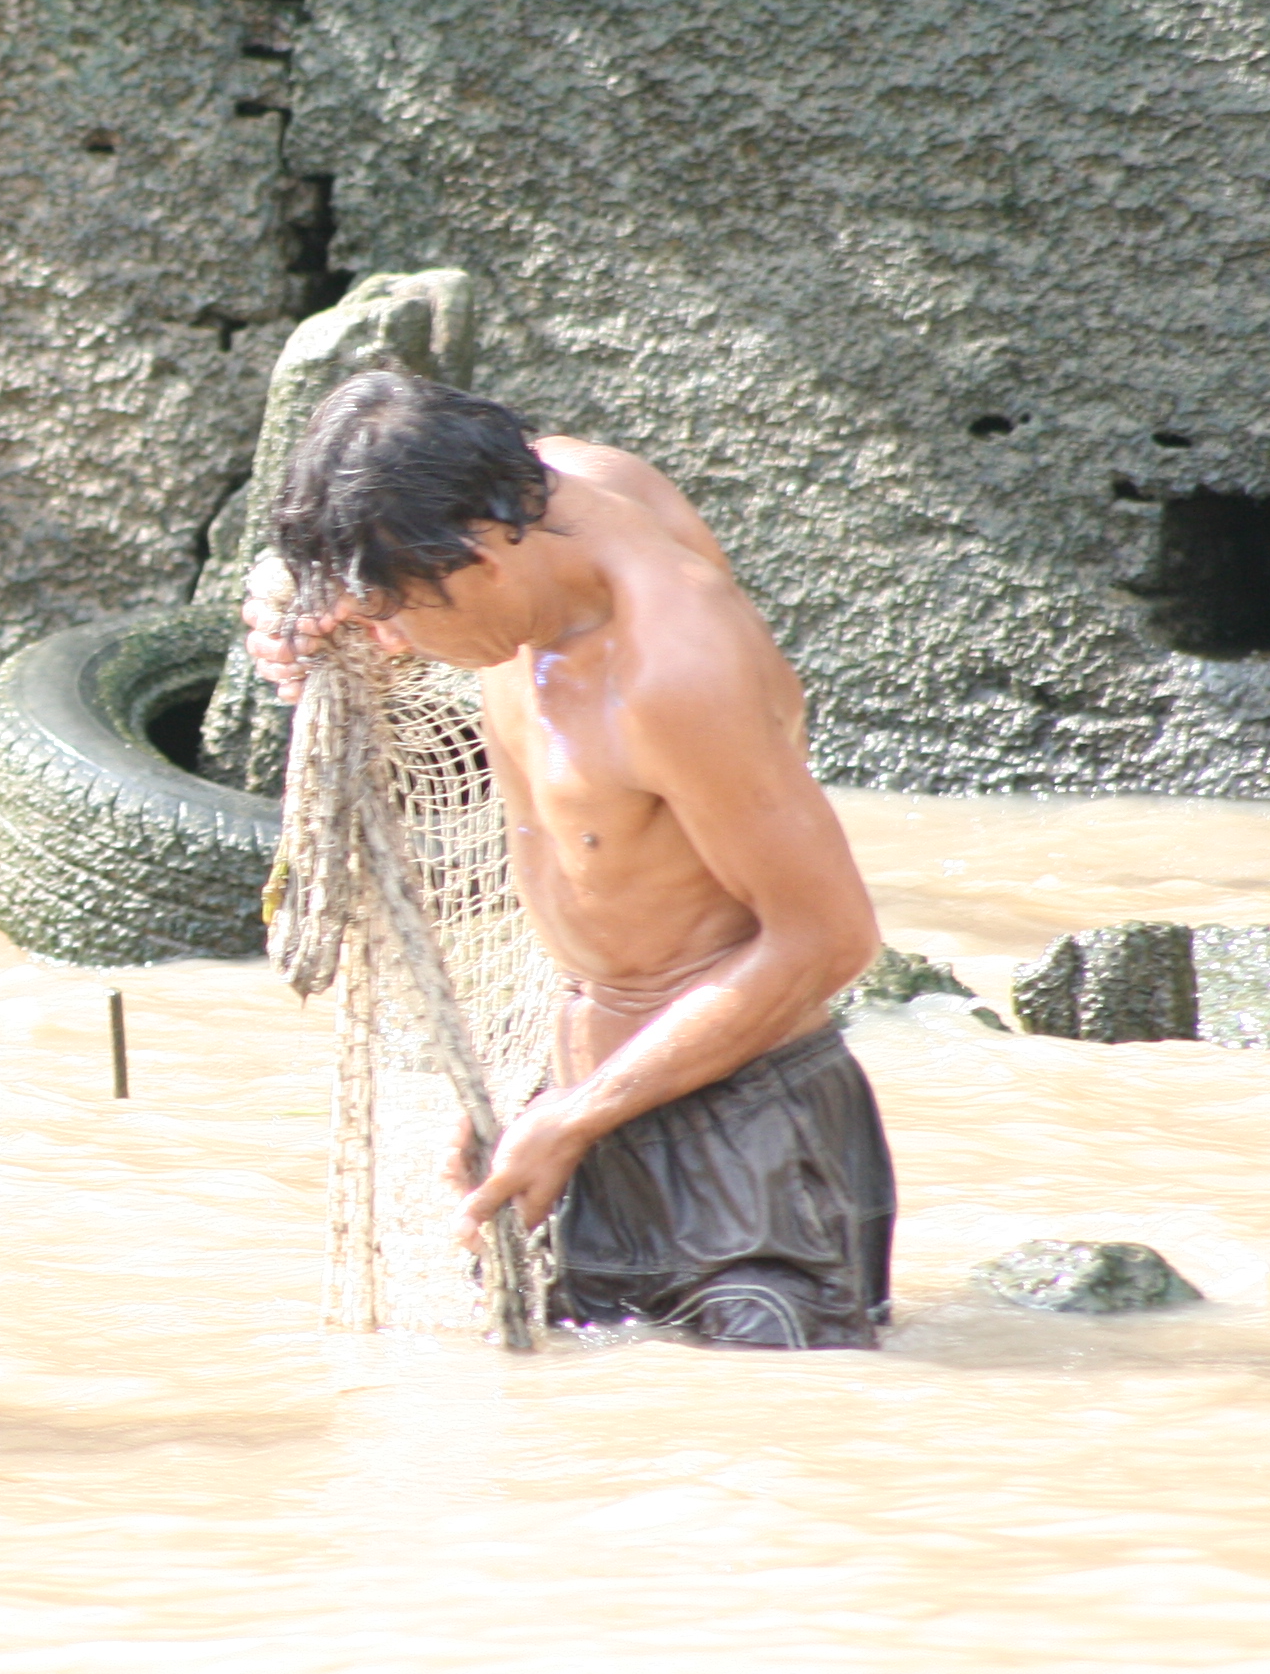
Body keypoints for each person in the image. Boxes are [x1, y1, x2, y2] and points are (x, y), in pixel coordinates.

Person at [245, 373, 895, 1349]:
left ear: (481, 559)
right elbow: (364, 562)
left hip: (746, 1133)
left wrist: (572, 1117)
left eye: (401, 614)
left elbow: (830, 939)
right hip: (585, 1097)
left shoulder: (673, 666)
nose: (393, 640)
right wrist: (297, 619)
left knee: (763, 1453)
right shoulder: (537, 495)